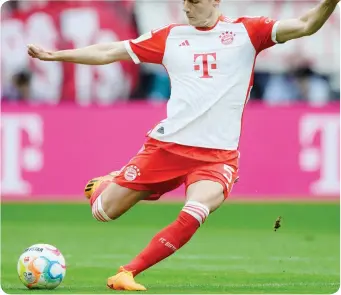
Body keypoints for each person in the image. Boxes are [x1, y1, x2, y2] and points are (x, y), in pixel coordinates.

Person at [27, 0, 339, 291]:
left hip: (217, 158)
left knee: (196, 209)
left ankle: (127, 272)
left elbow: (306, 24)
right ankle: (114, 182)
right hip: (167, 148)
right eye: (185, 0)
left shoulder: (248, 31)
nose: (187, 7)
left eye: (195, 0)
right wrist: (57, 55)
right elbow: (111, 51)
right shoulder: (171, 37)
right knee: (103, 212)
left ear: (215, 1)